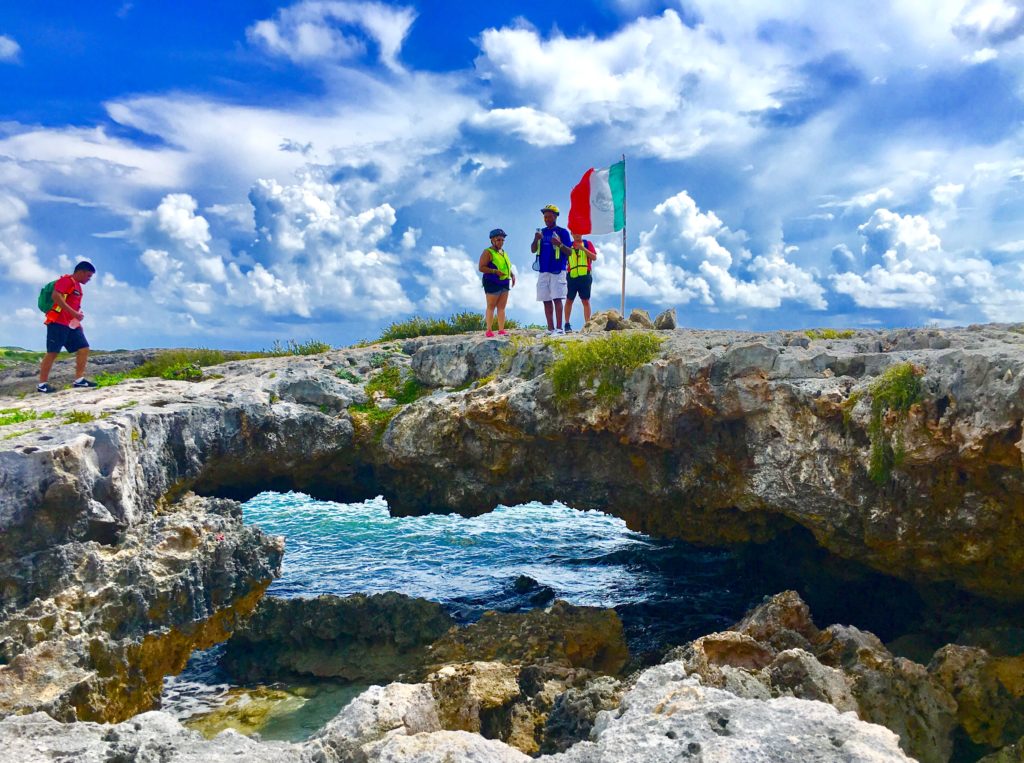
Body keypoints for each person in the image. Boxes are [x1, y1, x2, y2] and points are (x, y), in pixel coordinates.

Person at [38, 261, 97, 393]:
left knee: (84, 348)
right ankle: (42, 384)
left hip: (71, 324)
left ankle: (79, 380)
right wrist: (73, 313)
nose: (89, 279)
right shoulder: (66, 281)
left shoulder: (78, 287)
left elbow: (74, 307)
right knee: (53, 352)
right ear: (80, 272)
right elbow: (56, 296)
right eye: (88, 276)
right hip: (57, 322)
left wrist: (77, 322)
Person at [531, 204, 572, 335]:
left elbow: (570, 252)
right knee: (546, 299)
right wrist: (536, 239)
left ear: (555, 216)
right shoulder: (541, 232)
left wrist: (559, 244)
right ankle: (550, 328)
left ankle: (559, 329)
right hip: (543, 270)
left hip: (558, 270)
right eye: (545, 217)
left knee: (557, 298)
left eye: (549, 216)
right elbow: (533, 250)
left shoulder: (563, 232)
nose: (547, 219)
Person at [479, 228, 515, 337]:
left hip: (504, 281)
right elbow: (481, 267)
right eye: (499, 240)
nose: (501, 242)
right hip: (492, 282)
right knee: (491, 306)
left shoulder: (503, 252)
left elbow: (506, 265)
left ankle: (501, 330)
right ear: (492, 240)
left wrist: (512, 275)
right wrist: (494, 271)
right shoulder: (487, 252)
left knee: (502, 307)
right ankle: (489, 330)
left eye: (503, 240)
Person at [564, 234, 597, 333]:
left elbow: (594, 257)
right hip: (572, 276)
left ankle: (587, 324)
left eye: (579, 232)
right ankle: (567, 324)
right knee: (569, 300)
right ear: (572, 233)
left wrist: (583, 248)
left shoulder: (587, 244)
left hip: (585, 276)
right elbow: (564, 259)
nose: (577, 234)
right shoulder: (568, 245)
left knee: (585, 301)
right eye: (574, 232)